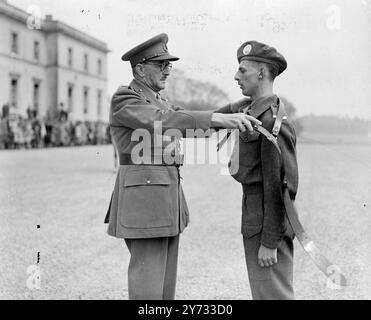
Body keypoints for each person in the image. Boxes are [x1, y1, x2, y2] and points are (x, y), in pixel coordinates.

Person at [104, 33, 260, 300]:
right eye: (161, 65)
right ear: (140, 69)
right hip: (145, 203)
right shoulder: (125, 99)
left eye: (169, 66)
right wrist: (221, 117)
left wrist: (230, 110)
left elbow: (187, 124)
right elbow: (165, 120)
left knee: (164, 289)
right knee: (147, 289)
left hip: (165, 199)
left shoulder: (158, 99)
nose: (167, 71)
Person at [216, 41, 299, 300]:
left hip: (266, 226)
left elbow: (280, 186)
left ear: (262, 73)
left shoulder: (271, 121)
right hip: (256, 220)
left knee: (274, 296)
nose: (236, 76)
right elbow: (213, 118)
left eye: (243, 71)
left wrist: (270, 241)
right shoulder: (254, 112)